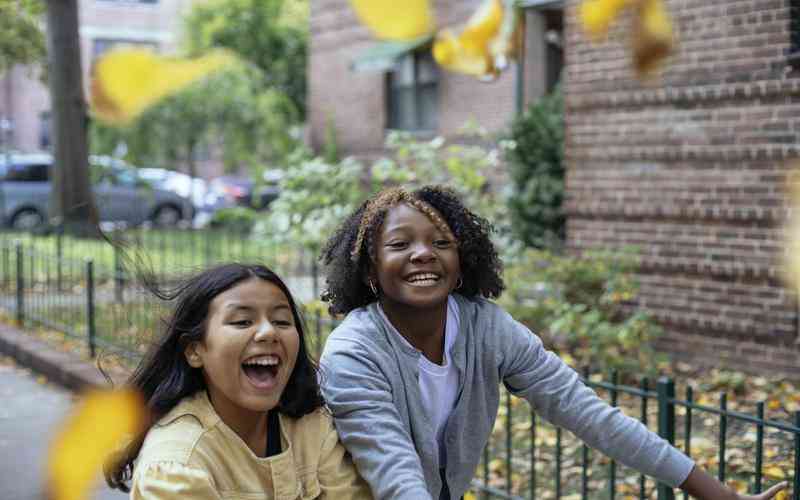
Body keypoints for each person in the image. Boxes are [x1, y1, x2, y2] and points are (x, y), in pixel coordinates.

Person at [318, 185, 787, 500]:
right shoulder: (355, 353)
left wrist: (715, 493)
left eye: (441, 242)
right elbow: (394, 470)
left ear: (462, 262)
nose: (424, 253)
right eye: (400, 244)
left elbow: (586, 411)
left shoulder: (486, 327)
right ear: (369, 268)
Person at [104, 263, 371, 499]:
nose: (268, 332)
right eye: (243, 321)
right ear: (194, 350)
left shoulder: (311, 427)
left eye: (281, 320)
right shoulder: (177, 465)